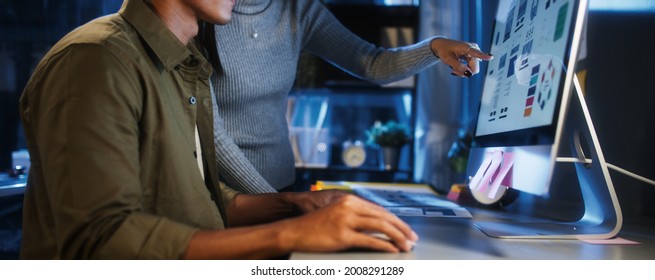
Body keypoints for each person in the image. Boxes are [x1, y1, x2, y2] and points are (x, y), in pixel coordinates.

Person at [18, 0, 418, 259]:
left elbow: (197, 197)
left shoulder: (182, 64)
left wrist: (294, 206)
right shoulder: (95, 60)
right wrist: (289, 235)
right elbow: (99, 241)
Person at [199, 0, 494, 193]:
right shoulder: (202, 11)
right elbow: (210, 132)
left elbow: (371, 63)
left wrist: (434, 47)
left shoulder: (296, 10)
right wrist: (276, 203)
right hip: (222, 190)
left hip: (282, 184)